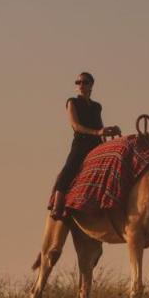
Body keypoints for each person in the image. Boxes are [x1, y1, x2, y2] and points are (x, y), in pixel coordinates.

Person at [49, 72, 113, 219]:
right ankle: (57, 207)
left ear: (91, 85)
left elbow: (100, 127)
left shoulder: (97, 106)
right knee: (69, 169)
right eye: (78, 83)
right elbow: (76, 126)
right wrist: (97, 132)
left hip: (96, 144)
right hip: (81, 143)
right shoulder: (72, 102)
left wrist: (107, 132)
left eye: (84, 82)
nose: (81, 85)